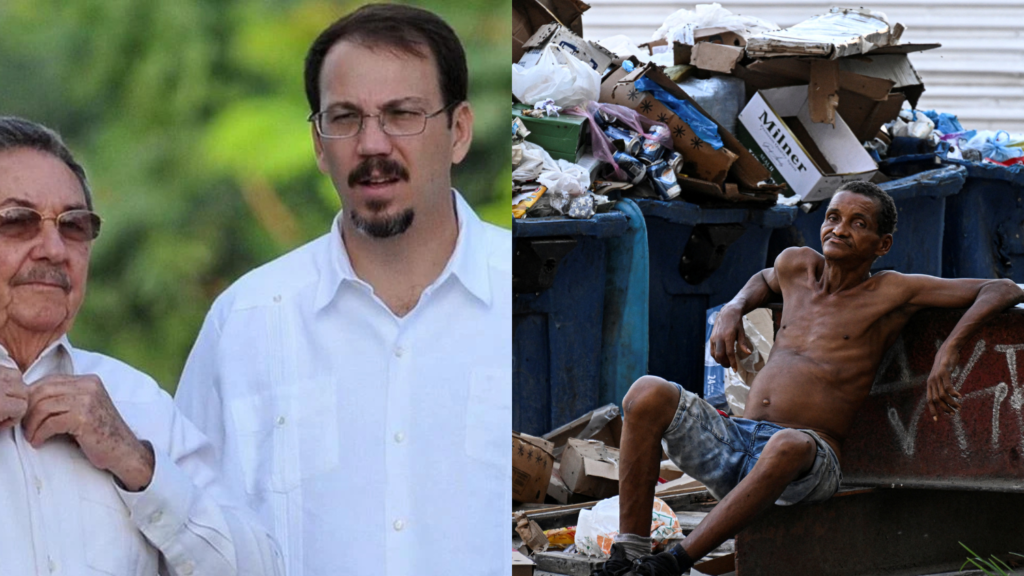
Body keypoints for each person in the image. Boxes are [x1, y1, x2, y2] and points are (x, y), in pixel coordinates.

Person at [173, 4, 511, 576]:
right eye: (346, 117)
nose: (372, 144)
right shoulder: (248, 321)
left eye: (402, 114)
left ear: (459, 132)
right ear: (317, 143)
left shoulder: (520, 294)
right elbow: (187, 531)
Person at [600, 181, 1024, 575]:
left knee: (788, 442)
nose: (839, 230)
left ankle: (672, 563)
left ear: (883, 244)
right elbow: (763, 280)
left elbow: (1003, 288)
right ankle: (629, 555)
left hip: (807, 462)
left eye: (858, 224)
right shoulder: (796, 266)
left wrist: (949, 349)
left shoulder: (892, 291)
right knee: (647, 392)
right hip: (738, 442)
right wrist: (732, 308)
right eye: (833, 217)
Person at [0, 116, 282, 575]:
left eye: (73, 226)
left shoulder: (134, 403)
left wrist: (140, 466)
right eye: (17, 221)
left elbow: (260, 569)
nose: (53, 248)